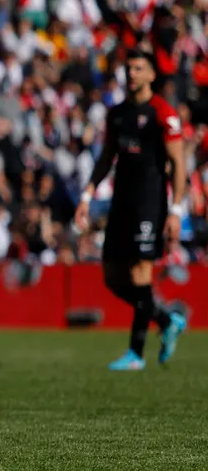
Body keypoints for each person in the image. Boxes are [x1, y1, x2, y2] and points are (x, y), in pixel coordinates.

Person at [75, 49, 187, 371]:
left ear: (152, 74)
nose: (132, 74)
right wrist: (87, 194)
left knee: (141, 272)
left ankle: (136, 353)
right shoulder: (117, 114)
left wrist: (176, 210)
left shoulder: (163, 114)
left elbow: (178, 163)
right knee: (112, 277)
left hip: (149, 202)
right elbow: (106, 156)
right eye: (129, 68)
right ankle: (166, 319)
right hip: (121, 201)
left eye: (139, 68)